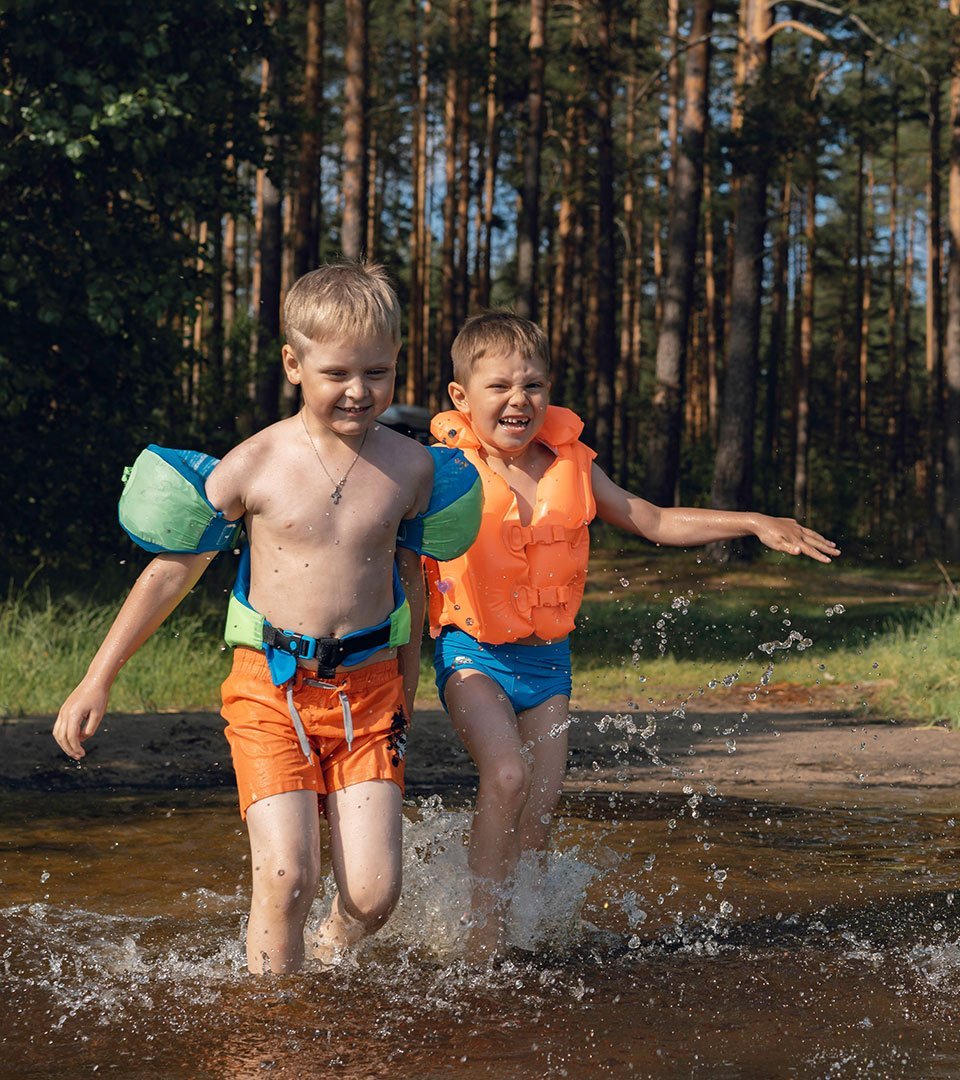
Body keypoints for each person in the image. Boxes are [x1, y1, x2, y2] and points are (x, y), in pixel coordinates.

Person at [53, 261, 481, 975]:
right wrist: (97, 679)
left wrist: (408, 696)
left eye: (377, 372)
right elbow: (169, 573)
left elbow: (412, 586)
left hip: (371, 697)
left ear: (399, 360)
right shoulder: (254, 464)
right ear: (293, 362)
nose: (358, 390)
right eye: (338, 372)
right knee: (287, 879)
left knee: (374, 896)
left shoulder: (413, 471)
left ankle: (325, 957)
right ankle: (268, 1030)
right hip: (271, 691)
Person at [426, 309, 840, 959]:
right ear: (460, 397)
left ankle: (528, 937)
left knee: (536, 815)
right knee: (505, 776)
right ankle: (481, 941)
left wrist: (753, 520)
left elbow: (650, 518)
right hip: (471, 652)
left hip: (548, 666)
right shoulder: (440, 473)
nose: (519, 399)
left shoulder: (573, 466)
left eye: (533, 384)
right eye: (500, 385)